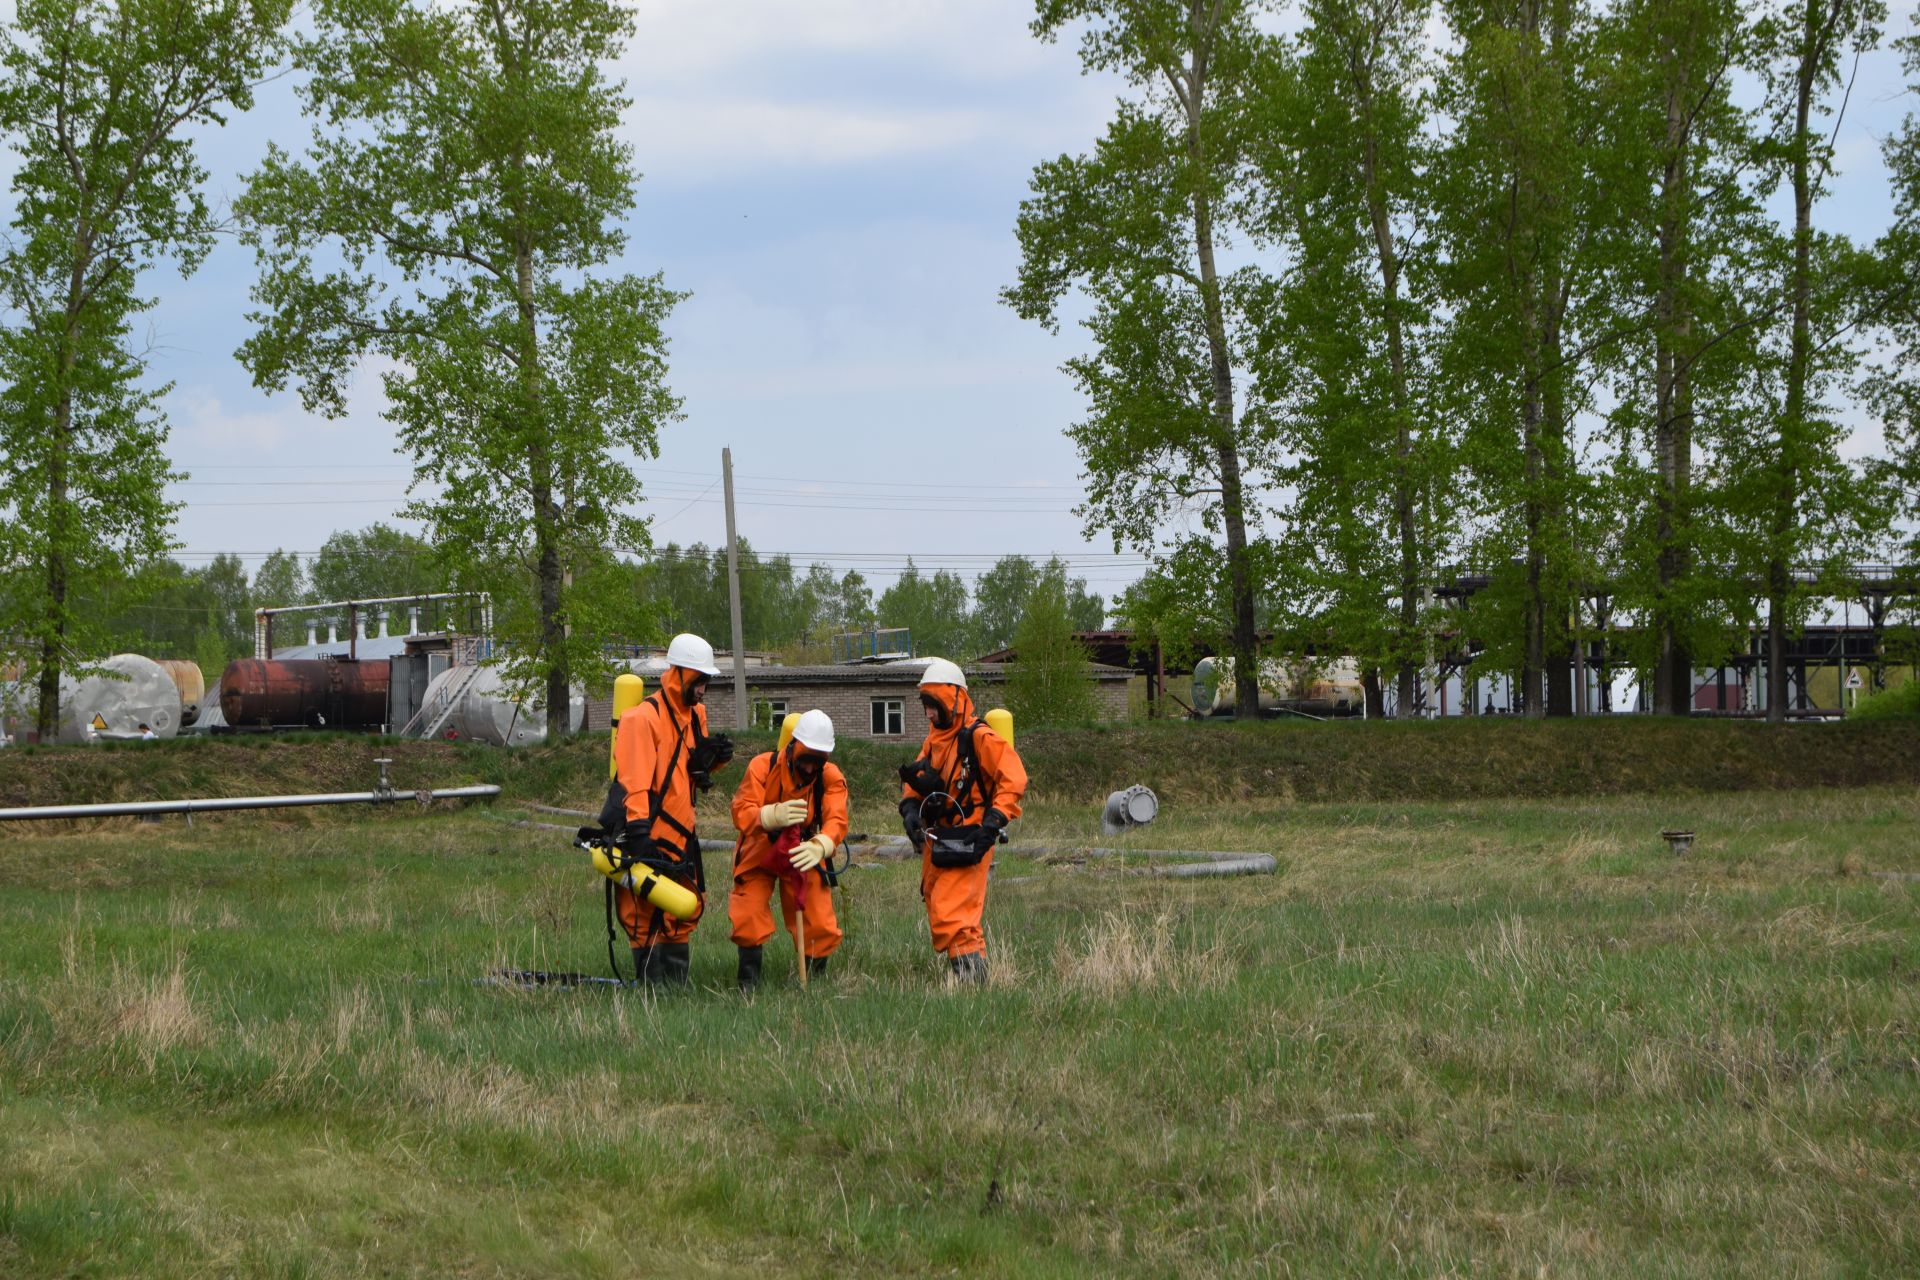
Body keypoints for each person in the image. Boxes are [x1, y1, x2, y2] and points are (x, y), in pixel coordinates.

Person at [608, 632, 733, 986]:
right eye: (698, 680)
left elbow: (690, 776)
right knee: (643, 914)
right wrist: (639, 833)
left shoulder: (696, 716)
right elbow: (635, 783)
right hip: (648, 832)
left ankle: (676, 989)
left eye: (706, 682)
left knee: (685, 908)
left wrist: (713, 762)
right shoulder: (641, 719)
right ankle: (651, 990)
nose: (703, 689)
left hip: (683, 832)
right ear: (676, 673)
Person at [897, 659, 1027, 984]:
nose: (928, 714)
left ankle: (971, 985)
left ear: (954, 699)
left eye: (933, 706)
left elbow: (1014, 777)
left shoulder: (980, 737)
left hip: (971, 835)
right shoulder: (935, 739)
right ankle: (973, 982)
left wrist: (993, 823)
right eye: (925, 706)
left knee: (952, 910)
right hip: (940, 836)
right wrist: (911, 809)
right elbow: (918, 776)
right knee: (938, 900)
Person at [727, 709, 847, 991]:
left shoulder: (830, 777)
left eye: (815, 763)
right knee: (748, 915)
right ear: (792, 748)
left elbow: (837, 819)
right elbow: (741, 811)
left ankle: (815, 981)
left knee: (819, 920)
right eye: (805, 761)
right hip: (760, 848)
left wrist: (821, 845)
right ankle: (749, 985)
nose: (808, 769)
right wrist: (770, 816)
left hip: (804, 851)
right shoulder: (762, 766)